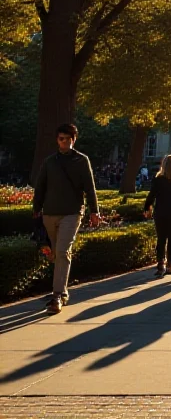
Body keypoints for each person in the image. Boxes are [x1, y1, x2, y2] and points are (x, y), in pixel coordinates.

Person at [33, 123, 101, 315]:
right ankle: (60, 289)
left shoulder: (82, 160)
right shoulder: (49, 162)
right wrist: (36, 209)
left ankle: (58, 295)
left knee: (63, 251)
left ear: (74, 139)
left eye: (68, 139)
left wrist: (94, 211)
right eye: (61, 138)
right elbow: (40, 187)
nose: (65, 142)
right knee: (54, 253)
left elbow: (90, 187)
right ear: (57, 140)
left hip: (72, 213)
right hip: (50, 213)